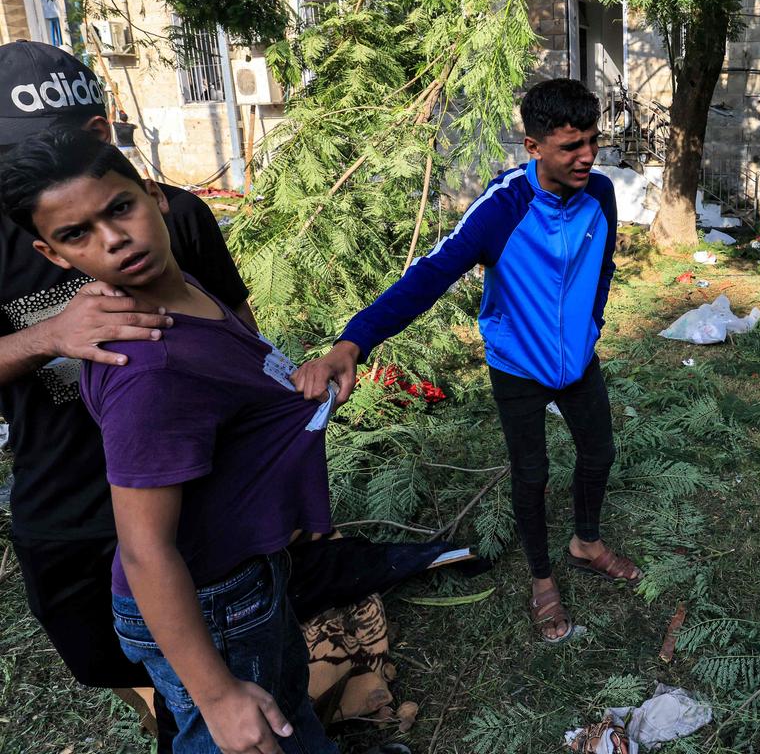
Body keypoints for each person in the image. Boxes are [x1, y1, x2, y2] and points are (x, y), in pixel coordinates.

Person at [0, 127, 340, 754]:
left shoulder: (181, 295)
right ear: (53, 254)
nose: (113, 240)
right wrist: (216, 695)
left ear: (154, 194)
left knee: (289, 717)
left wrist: (298, 389)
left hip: (243, 576)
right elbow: (144, 548)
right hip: (210, 604)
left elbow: (230, 392)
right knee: (242, 735)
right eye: (78, 234)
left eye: (119, 207)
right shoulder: (148, 371)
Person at [292, 78, 641, 644]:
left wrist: (592, 322)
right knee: (531, 474)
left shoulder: (599, 194)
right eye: (570, 146)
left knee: (599, 451)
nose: (586, 157)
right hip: (517, 365)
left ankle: (586, 542)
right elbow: (427, 277)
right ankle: (542, 578)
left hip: (579, 360)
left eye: (592, 143)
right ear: (533, 147)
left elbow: (601, 268)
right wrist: (352, 343)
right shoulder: (502, 208)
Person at [0, 39, 256, 720]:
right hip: (70, 519)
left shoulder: (173, 216)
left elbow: (240, 331)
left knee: (217, 682)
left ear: (95, 136)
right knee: (132, 675)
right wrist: (48, 336)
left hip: (193, 502)